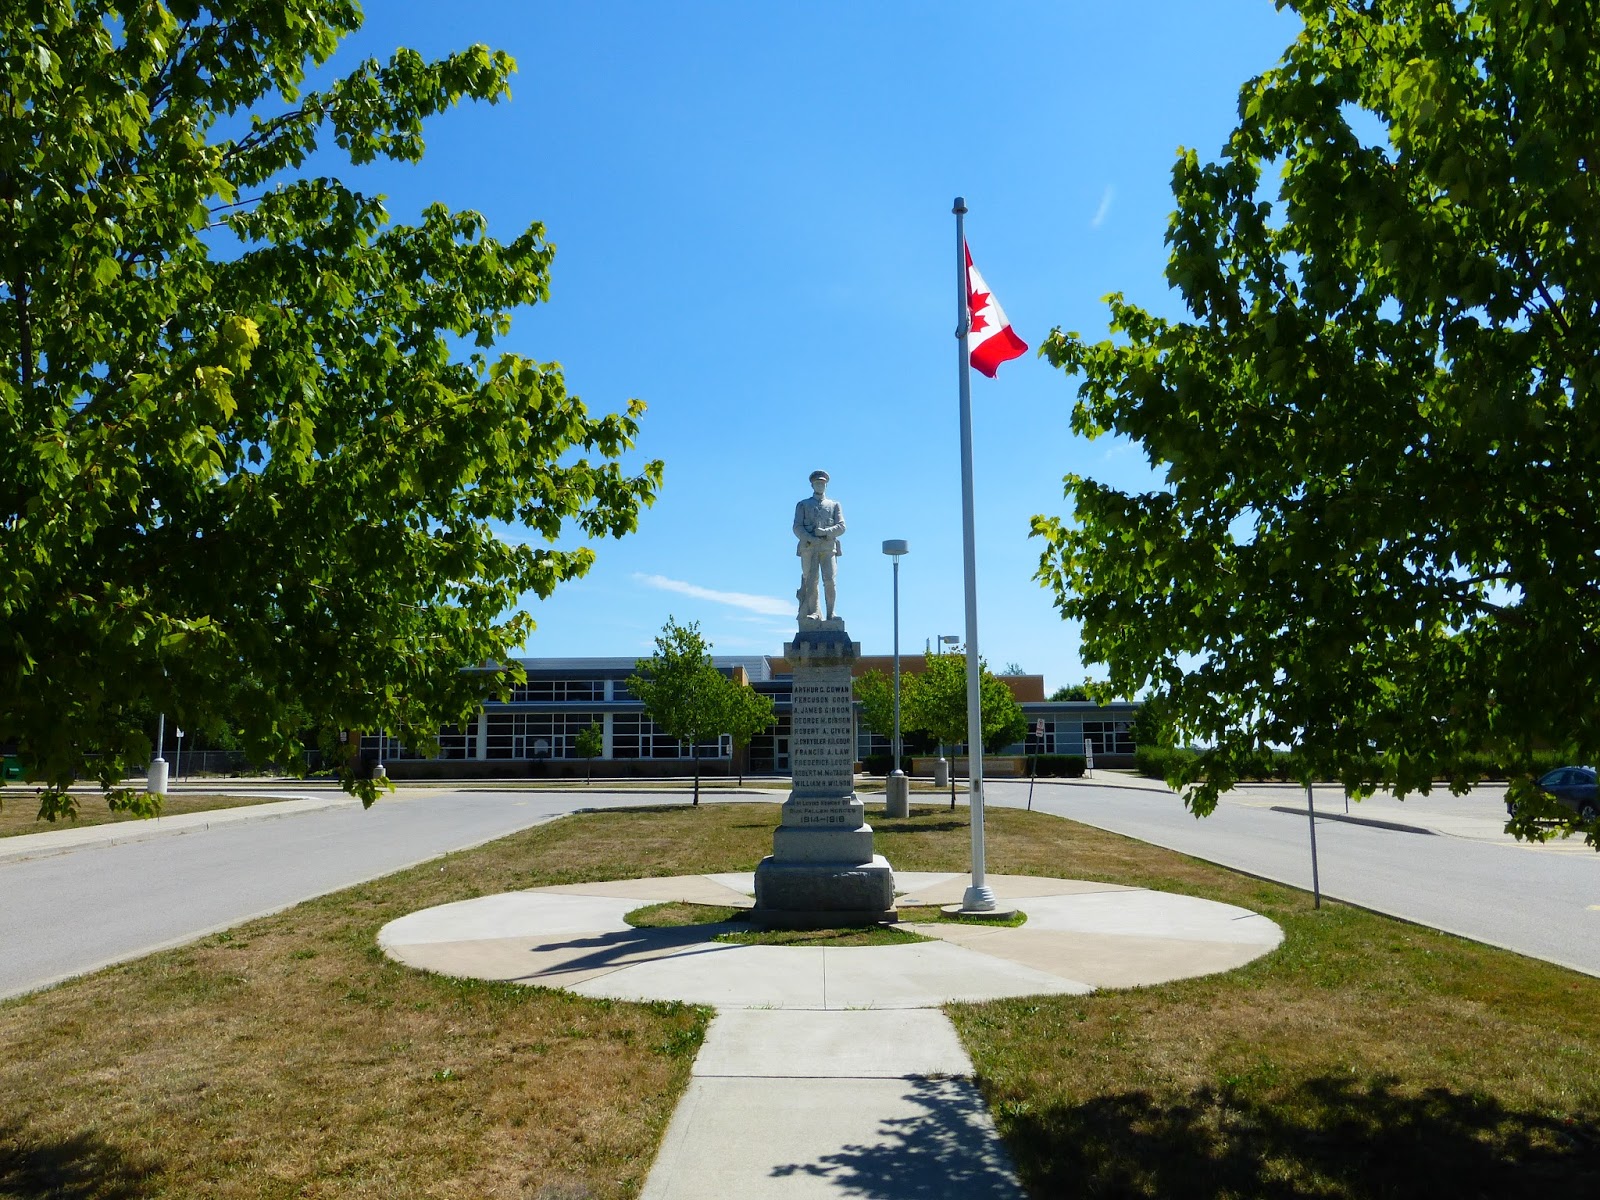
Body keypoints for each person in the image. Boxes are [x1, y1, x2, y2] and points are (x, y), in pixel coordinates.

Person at [793, 470, 845, 622]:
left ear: (826, 485)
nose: (820, 486)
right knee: (811, 580)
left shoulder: (834, 505)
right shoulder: (803, 504)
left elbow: (841, 527)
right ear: (812, 485)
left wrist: (825, 532)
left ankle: (831, 613)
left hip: (828, 548)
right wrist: (809, 538)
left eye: (822, 483)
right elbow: (797, 527)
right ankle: (814, 612)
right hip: (808, 547)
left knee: (829, 580)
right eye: (817, 483)